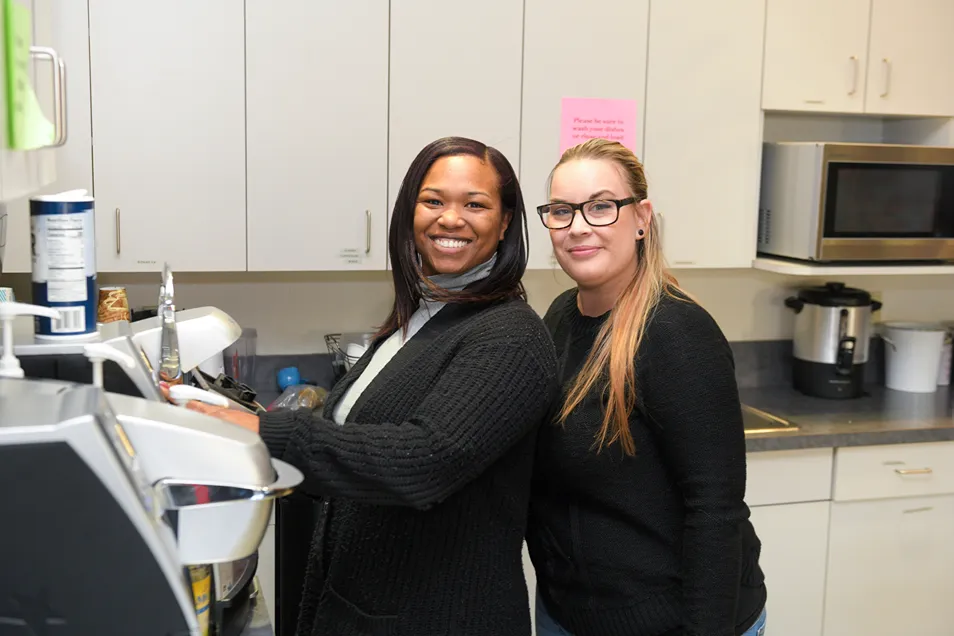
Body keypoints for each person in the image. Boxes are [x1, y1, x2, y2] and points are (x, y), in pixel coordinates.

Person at [185, 137, 558, 635]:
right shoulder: (420, 316)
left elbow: (423, 459)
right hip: (365, 608)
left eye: (475, 204)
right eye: (433, 201)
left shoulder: (511, 335)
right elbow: (356, 433)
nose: (451, 218)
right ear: (409, 211)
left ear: (505, 221)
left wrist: (262, 432)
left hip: (443, 618)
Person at [527, 138, 767, 636]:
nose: (578, 227)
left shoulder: (674, 333)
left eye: (600, 207)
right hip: (568, 614)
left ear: (641, 218)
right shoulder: (561, 318)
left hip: (667, 624)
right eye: (561, 211)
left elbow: (716, 513)